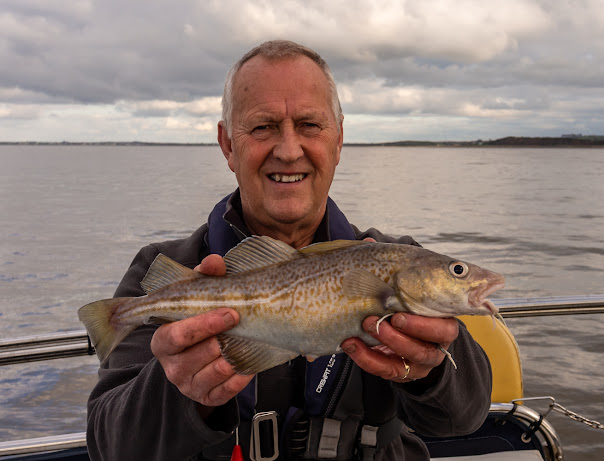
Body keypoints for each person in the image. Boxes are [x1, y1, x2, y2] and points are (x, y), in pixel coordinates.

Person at [86, 40, 492, 461]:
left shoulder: (397, 257)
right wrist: (183, 391)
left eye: (310, 125)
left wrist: (432, 368)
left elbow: (463, 418)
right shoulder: (167, 268)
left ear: (338, 141)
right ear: (228, 145)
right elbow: (109, 446)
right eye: (262, 127)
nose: (288, 149)